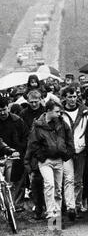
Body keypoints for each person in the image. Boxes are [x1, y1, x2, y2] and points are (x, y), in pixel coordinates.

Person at [26, 100, 75, 220]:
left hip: (59, 159)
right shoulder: (38, 125)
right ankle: (50, 213)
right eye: (57, 111)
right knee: (49, 185)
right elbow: (32, 144)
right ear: (48, 111)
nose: (59, 114)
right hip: (45, 161)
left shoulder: (62, 124)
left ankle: (57, 215)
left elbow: (69, 139)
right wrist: (41, 156)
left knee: (58, 189)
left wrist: (67, 153)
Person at [61, 86, 88, 219]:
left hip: (80, 149)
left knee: (78, 180)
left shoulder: (85, 111)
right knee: (68, 179)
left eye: (74, 97)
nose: (72, 99)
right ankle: (69, 206)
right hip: (66, 150)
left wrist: (83, 144)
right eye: (69, 97)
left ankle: (77, 205)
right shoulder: (60, 112)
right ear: (65, 97)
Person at [0, 96, 29, 213]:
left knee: (18, 180)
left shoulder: (17, 120)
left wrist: (20, 150)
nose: (2, 112)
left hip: (17, 154)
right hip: (1, 154)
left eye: (4, 109)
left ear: (8, 108)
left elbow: (26, 136)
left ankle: (17, 204)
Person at [20, 90, 46, 219]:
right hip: (32, 149)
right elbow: (23, 133)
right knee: (35, 181)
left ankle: (50, 208)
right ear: (28, 102)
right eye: (31, 102)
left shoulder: (46, 111)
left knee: (48, 181)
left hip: (46, 149)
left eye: (36, 101)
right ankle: (38, 207)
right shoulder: (24, 114)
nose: (34, 104)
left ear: (40, 100)